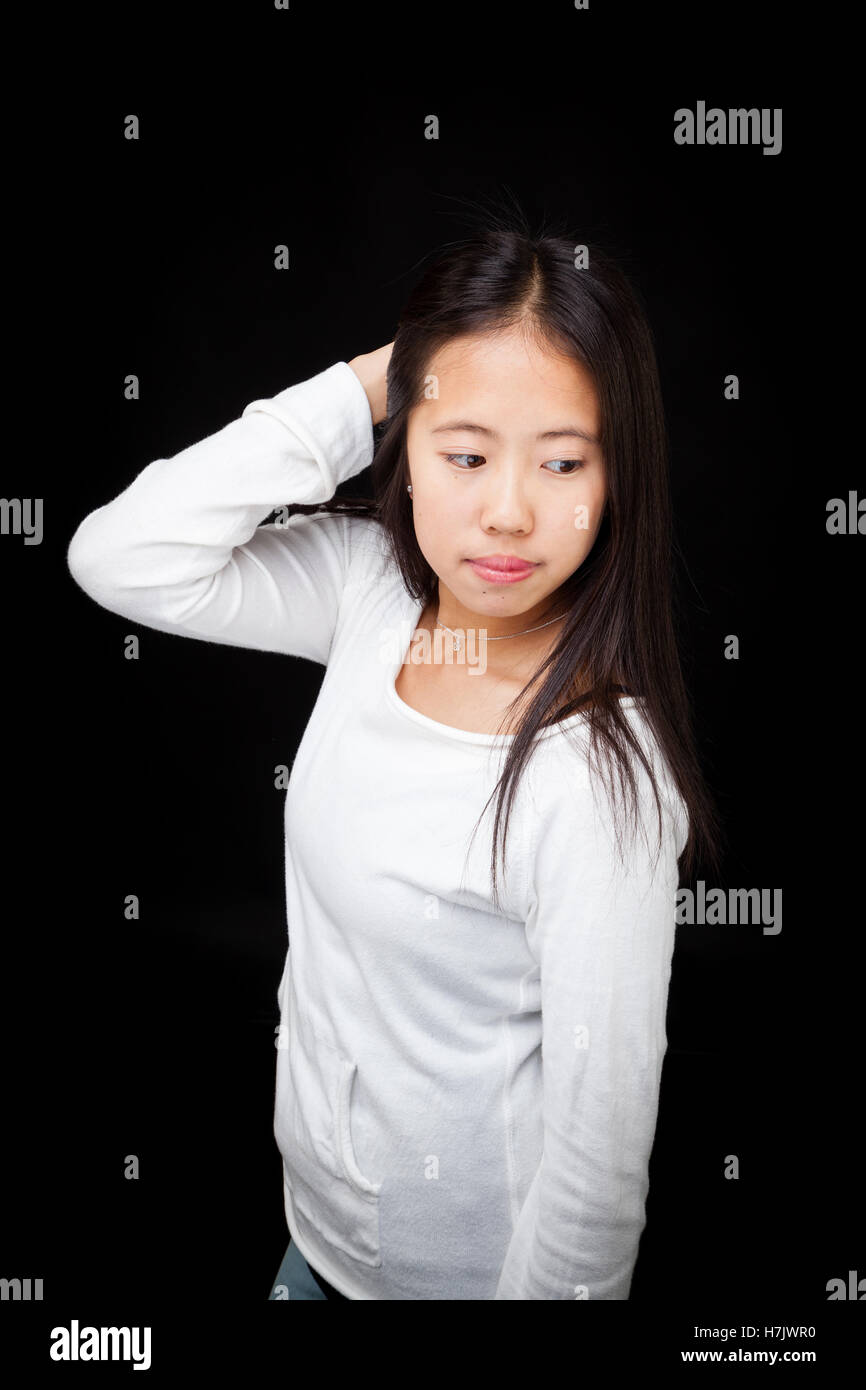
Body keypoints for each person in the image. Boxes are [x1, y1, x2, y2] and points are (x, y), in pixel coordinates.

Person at [66, 205, 724, 1300]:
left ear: (615, 481)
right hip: (310, 1243)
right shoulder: (371, 592)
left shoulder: (596, 779)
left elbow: (595, 1163)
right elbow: (119, 556)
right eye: (463, 451)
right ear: (404, 449)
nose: (507, 512)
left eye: (562, 462)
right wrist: (368, 382)